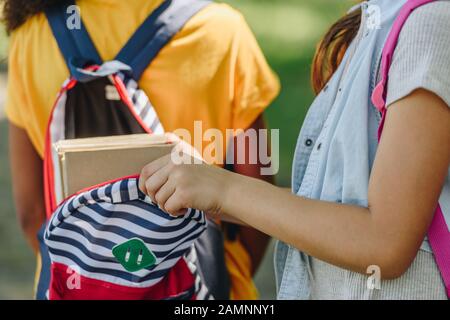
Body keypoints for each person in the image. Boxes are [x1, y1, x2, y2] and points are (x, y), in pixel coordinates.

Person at [139, 0, 450, 299]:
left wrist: (223, 189)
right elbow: (332, 211)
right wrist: (201, 184)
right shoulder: (379, 17)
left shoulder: (429, 25)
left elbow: (385, 242)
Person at [5, 0, 280, 299]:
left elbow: (31, 212)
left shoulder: (32, 32)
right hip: (198, 286)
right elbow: (260, 194)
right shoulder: (221, 32)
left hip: (72, 288)